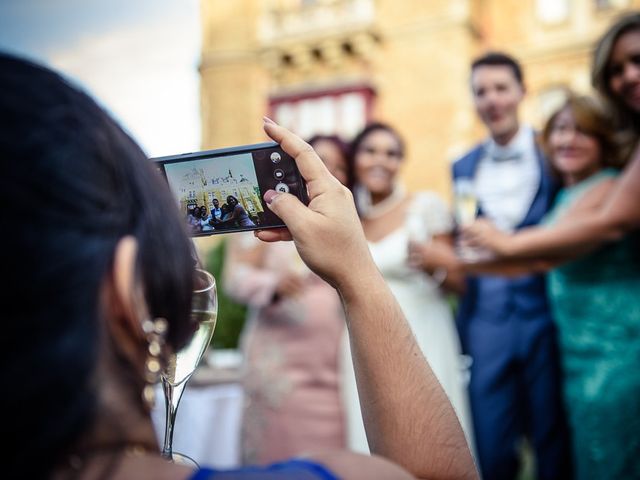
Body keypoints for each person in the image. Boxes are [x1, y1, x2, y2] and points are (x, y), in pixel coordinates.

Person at [2, 53, 477, 480]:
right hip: (280, 355)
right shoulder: (333, 474)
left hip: (328, 363)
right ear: (127, 289)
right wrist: (357, 276)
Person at [463, 93, 639, 480]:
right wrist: (449, 262)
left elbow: (541, 256)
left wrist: (501, 241)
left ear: (604, 141)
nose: (568, 140)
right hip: (577, 353)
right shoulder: (564, 196)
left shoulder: (609, 188)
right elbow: (536, 261)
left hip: (618, 350)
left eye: (583, 132)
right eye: (560, 130)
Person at [448, 52, 571, 479]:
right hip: (485, 319)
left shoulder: (554, 153)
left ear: (522, 91)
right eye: (482, 91)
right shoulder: (460, 166)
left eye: (501, 88)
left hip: (549, 315)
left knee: (553, 439)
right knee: (491, 444)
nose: (492, 99)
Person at [458, 13, 640, 260]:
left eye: (501, 88)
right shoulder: (461, 165)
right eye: (616, 70)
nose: (629, 76)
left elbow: (608, 223)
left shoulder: (605, 182)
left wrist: (506, 243)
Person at [342, 122, 474, 455]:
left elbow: (460, 282)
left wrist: (435, 265)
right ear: (355, 158)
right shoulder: (346, 216)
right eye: (370, 151)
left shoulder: (425, 206)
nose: (381, 161)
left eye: (392, 154)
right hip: (361, 336)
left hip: (423, 332)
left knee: (432, 433)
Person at [223, 134, 351, 464]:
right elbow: (233, 278)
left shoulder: (346, 221)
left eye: (339, 165)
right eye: (321, 160)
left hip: (334, 368)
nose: (330, 170)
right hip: (280, 368)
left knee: (330, 461)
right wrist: (272, 284)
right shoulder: (267, 212)